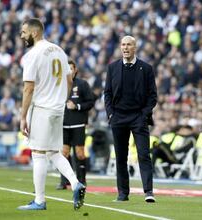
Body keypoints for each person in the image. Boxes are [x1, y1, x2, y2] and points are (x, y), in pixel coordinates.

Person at [17, 18, 85, 211]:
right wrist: (61, 100)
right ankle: (75, 182)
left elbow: (28, 88)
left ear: (34, 32)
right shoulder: (59, 51)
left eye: (24, 32)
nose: (22, 36)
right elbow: (69, 81)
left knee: (38, 154)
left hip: (41, 109)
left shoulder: (32, 55)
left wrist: (23, 117)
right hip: (57, 109)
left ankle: (39, 200)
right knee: (53, 152)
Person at [104, 36, 157, 202]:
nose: (125, 48)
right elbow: (107, 93)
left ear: (135, 47)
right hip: (118, 117)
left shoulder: (146, 68)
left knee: (143, 155)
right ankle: (123, 193)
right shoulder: (112, 68)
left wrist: (143, 115)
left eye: (129, 45)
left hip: (138, 117)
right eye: (123, 45)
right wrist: (111, 114)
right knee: (120, 157)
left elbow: (152, 95)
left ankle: (148, 192)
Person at [56, 59, 95, 190]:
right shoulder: (58, 85)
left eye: (71, 69)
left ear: (75, 70)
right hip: (63, 125)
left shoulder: (82, 84)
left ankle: (82, 180)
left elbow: (90, 102)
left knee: (79, 153)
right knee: (64, 153)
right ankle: (64, 181)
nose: (69, 71)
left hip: (78, 124)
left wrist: (77, 106)